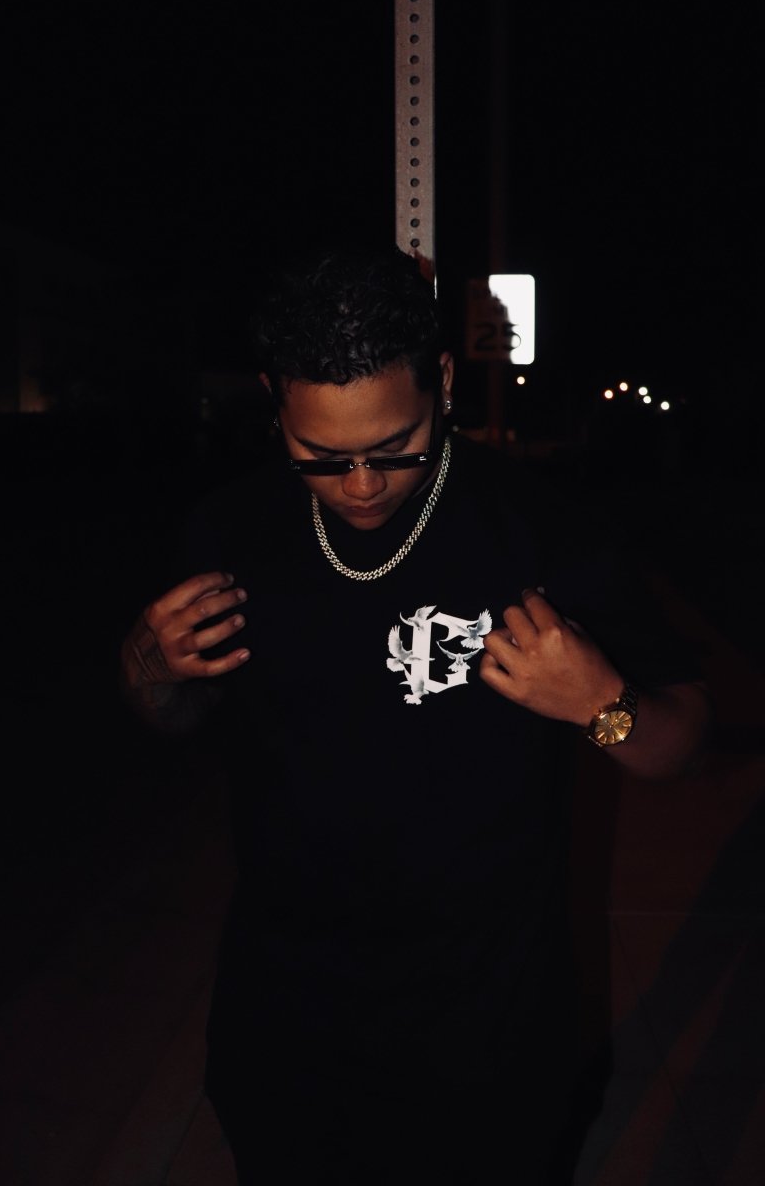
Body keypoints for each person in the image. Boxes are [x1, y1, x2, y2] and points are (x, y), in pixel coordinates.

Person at [119, 243, 712, 1184]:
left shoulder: (546, 531)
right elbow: (169, 715)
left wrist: (603, 703)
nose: (361, 484)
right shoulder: (229, 530)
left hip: (491, 1025)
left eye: (394, 447)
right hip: (288, 1020)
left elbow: (682, 743)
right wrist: (150, 663)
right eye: (322, 457)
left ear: (442, 380)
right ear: (274, 401)